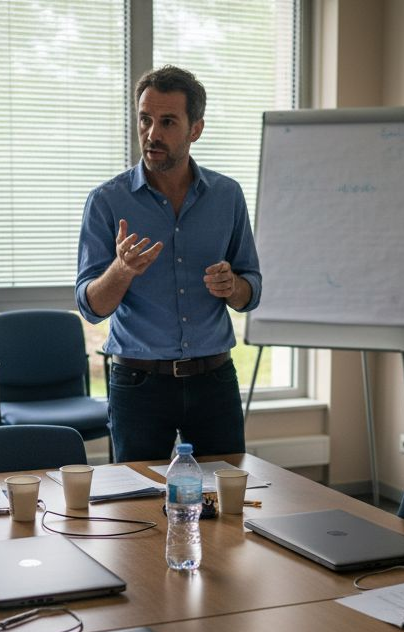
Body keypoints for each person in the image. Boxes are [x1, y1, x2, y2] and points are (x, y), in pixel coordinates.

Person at [76, 65, 261, 462]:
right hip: (139, 384)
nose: (152, 134)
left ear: (196, 128)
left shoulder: (227, 196)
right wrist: (122, 270)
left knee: (225, 503)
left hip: (214, 380)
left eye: (167, 122)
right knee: (136, 511)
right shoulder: (107, 201)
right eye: (145, 119)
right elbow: (91, 308)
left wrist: (234, 286)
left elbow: (251, 291)